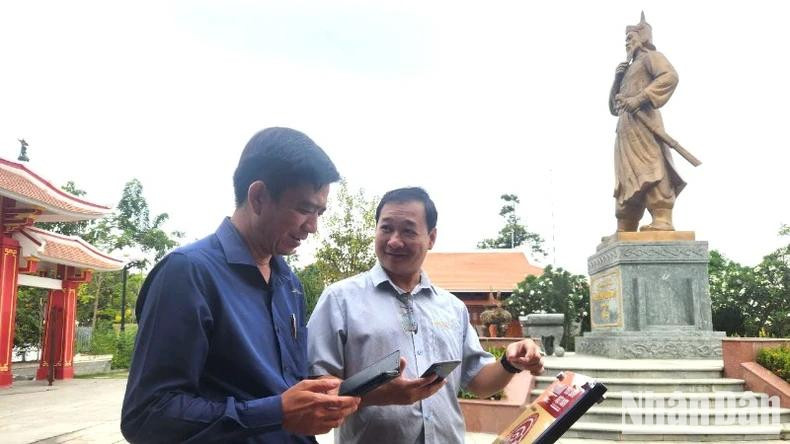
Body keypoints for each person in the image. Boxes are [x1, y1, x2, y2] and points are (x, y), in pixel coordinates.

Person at [121, 127, 360, 443]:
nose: (313, 227)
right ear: (258, 196)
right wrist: (276, 413)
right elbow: (147, 415)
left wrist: (322, 392)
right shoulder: (189, 273)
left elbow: (278, 387)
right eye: (304, 209)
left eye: (320, 212)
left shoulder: (289, 282)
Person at [307, 187, 544, 443]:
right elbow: (318, 388)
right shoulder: (340, 299)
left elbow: (478, 382)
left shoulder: (452, 307)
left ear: (431, 237)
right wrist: (379, 394)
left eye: (408, 230)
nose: (394, 240)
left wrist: (510, 362)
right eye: (386, 228)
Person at [609, 12, 685, 232]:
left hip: (645, 124)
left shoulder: (651, 57)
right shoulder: (627, 68)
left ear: (642, 38)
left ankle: (662, 218)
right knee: (626, 177)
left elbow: (670, 76)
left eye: (631, 37)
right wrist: (617, 79)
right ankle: (627, 221)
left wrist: (640, 98)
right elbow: (614, 107)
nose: (627, 41)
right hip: (625, 128)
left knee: (652, 167)